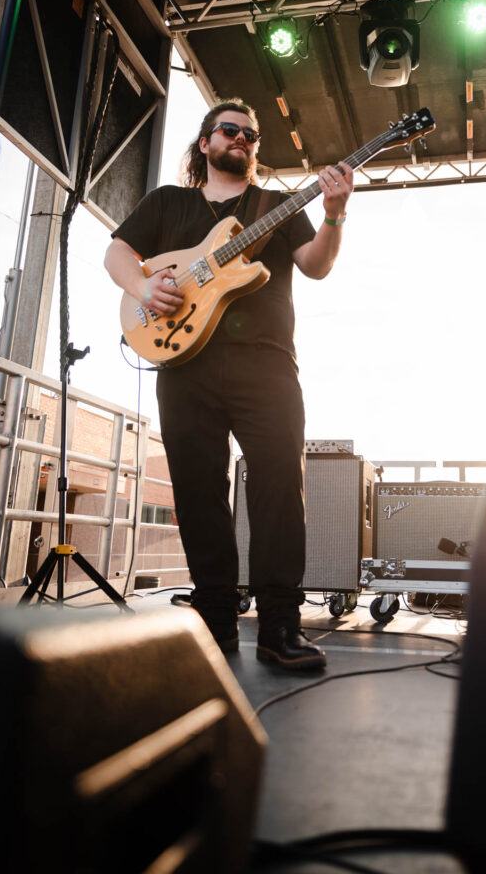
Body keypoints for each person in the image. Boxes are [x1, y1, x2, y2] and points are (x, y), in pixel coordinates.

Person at [104, 100, 353, 670]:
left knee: (279, 488)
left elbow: (316, 265)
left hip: (266, 364)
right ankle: (215, 620)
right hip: (184, 364)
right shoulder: (168, 202)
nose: (241, 137)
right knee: (198, 492)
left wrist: (335, 214)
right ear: (206, 142)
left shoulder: (276, 204)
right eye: (229, 129)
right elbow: (118, 252)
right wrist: (143, 290)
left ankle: (280, 626)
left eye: (250, 134)